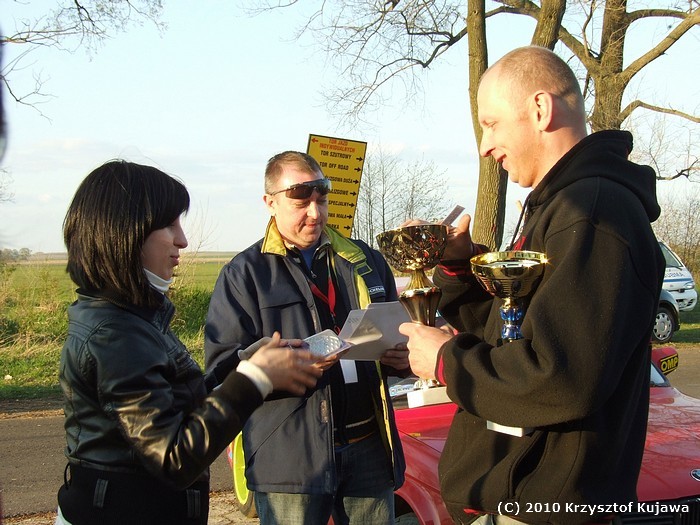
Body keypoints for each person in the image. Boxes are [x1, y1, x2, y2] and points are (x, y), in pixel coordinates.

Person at [400, 46, 665, 525]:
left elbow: (558, 376)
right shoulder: (558, 207)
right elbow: (510, 335)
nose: (484, 146)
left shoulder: (591, 212)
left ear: (540, 109)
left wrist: (446, 361)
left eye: (491, 124)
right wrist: (460, 265)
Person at [56, 160, 322, 525]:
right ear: (125, 233)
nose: (182, 239)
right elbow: (173, 458)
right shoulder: (114, 335)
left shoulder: (135, 319)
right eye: (169, 224)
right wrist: (255, 379)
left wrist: (248, 365)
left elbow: (177, 405)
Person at [204, 151, 410, 525]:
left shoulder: (364, 260)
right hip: (290, 462)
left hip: (369, 451)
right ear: (270, 202)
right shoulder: (243, 274)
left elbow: (397, 333)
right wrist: (282, 367)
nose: (315, 213)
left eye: (322, 200)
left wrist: (403, 359)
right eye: (301, 202)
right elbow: (221, 370)